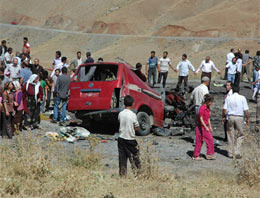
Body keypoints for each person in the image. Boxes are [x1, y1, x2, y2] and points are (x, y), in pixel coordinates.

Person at [223, 86, 249, 159]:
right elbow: (245, 110)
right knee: (240, 134)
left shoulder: (229, 98)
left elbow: (224, 109)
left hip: (230, 116)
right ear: (239, 90)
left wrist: (223, 117)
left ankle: (230, 152)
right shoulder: (242, 98)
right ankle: (237, 151)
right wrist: (247, 118)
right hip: (239, 117)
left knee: (230, 134)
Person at [118, 95, 141, 177]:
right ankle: (138, 174)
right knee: (135, 158)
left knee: (122, 158)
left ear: (124, 103)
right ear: (132, 104)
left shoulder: (120, 114)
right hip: (130, 139)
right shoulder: (133, 115)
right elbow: (136, 127)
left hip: (121, 138)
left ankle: (123, 175)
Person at [193, 94, 215, 160]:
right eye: (210, 102)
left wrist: (210, 126)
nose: (211, 103)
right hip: (200, 127)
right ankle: (195, 155)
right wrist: (205, 126)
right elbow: (201, 118)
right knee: (199, 141)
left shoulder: (207, 108)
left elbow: (208, 118)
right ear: (207, 101)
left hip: (206, 126)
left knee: (210, 139)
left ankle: (209, 154)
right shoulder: (202, 108)